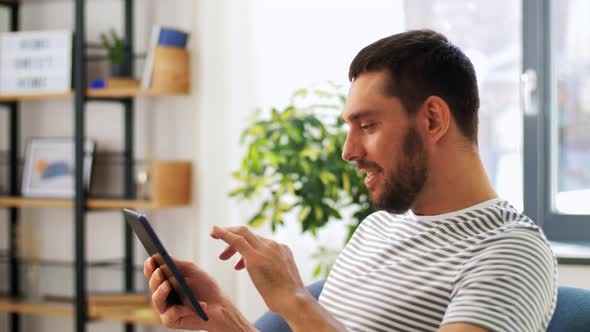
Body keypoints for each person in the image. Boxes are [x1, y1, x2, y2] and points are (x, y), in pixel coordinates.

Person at [144, 29, 556, 332]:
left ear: (432, 119)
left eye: (368, 125)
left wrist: (295, 300)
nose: (348, 151)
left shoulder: (510, 252)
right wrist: (223, 317)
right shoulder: (377, 229)